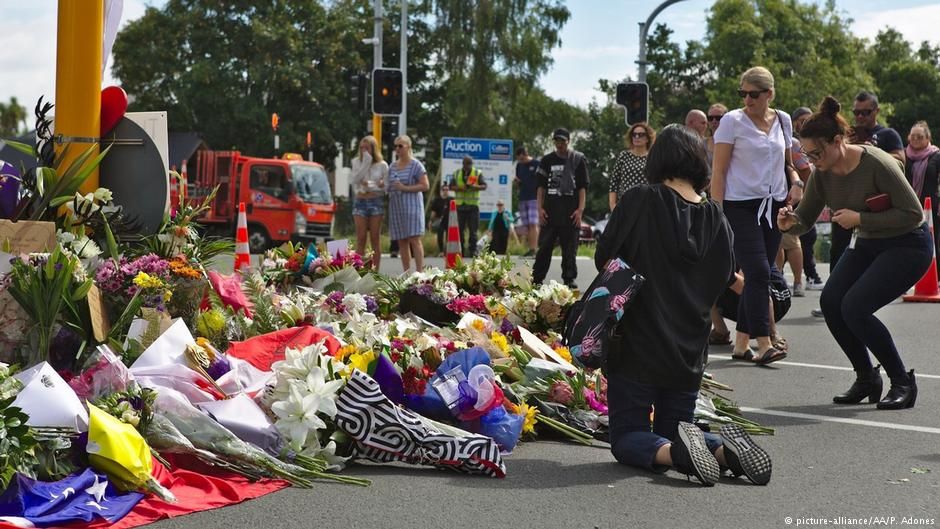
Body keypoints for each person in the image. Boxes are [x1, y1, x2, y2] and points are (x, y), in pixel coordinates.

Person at [598, 124, 771, 487]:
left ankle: (679, 456)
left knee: (627, 436)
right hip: (689, 353)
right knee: (676, 427)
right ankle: (723, 450)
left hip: (637, 347)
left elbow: (606, 259)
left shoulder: (640, 200)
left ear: (659, 159)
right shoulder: (718, 219)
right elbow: (725, 281)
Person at [777, 96, 929, 410]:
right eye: (806, 154)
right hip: (868, 242)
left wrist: (860, 218)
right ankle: (866, 378)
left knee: (855, 306)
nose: (812, 160)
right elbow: (804, 220)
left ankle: (901, 381)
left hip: (908, 244)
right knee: (832, 302)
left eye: (816, 153)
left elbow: (914, 214)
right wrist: (787, 223)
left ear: (838, 142)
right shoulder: (822, 173)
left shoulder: (877, 163)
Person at [711, 66, 803, 365]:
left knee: (755, 275)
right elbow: (719, 171)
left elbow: (788, 164)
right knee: (760, 272)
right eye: (743, 94)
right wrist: (717, 212)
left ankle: (741, 343)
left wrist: (797, 183)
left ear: (769, 94)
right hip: (739, 206)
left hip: (774, 206)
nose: (747, 99)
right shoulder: (731, 121)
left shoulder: (784, 120)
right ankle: (764, 343)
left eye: (754, 94)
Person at [810, 91, 907, 317]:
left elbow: (900, 162)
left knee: (872, 254)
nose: (860, 117)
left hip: (875, 208)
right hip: (845, 205)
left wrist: (867, 150)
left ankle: (862, 301)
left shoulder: (887, 134)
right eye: (856, 112)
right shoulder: (845, 134)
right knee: (839, 251)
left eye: (866, 112)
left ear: (876, 111)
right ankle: (834, 298)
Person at [533, 128, 588, 289]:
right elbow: (540, 188)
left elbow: (582, 188)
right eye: (557, 141)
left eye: (562, 141)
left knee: (570, 249)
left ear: (568, 141)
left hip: (570, 212)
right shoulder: (547, 160)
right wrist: (540, 209)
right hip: (549, 212)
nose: (560, 144)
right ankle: (537, 278)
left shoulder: (577, 160)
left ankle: (569, 278)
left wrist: (580, 210)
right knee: (544, 248)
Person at [776, 107, 815, 297]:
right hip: (771, 197)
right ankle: (779, 279)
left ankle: (798, 281)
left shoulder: (792, 143)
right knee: (777, 242)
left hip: (791, 197)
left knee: (791, 240)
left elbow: (805, 171)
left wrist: (806, 195)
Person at [791, 107, 825, 290]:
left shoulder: (818, 141)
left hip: (807, 193)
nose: (804, 123)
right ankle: (809, 276)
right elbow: (804, 170)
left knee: (806, 238)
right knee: (800, 236)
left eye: (808, 119)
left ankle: (809, 276)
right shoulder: (794, 143)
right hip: (795, 195)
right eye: (801, 120)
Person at [387, 135, 430, 273]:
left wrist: (405, 188)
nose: (397, 149)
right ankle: (407, 274)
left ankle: (419, 273)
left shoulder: (416, 165)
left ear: (408, 147)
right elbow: (388, 184)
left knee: (414, 239)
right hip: (397, 207)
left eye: (401, 146)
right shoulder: (392, 166)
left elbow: (425, 185)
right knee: (401, 241)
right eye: (396, 146)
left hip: (412, 207)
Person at [350, 135, 388, 271]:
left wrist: (371, 185)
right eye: (361, 148)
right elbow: (354, 180)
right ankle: (358, 271)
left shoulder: (382, 165)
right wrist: (366, 163)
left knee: (374, 238)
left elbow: (385, 187)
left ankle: (375, 271)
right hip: (360, 201)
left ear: (373, 148)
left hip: (375, 201)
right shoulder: (356, 162)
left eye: (367, 148)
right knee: (360, 238)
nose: (363, 150)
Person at [904, 121, 940, 256]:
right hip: (907, 207)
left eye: (919, 137)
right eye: (913, 136)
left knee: (932, 244)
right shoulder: (903, 155)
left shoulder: (936, 156)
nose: (915, 139)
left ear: (928, 139)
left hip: (931, 210)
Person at [445, 156, 487, 258]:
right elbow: (450, 186)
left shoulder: (477, 173)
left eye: (470, 164)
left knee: (473, 232)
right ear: (463, 164)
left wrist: (474, 187)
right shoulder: (457, 173)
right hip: (460, 207)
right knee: (460, 232)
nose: (468, 166)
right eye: (466, 164)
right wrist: (460, 188)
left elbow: (484, 186)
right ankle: (461, 253)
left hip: (473, 207)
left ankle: (473, 253)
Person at [609, 122, 655, 210]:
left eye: (641, 135)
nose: (637, 137)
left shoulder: (652, 158)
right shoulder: (624, 155)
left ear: (647, 138)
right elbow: (614, 182)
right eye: (634, 134)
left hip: (645, 206)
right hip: (624, 206)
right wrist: (612, 205)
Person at [515, 146, 541, 256]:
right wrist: (517, 182)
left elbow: (541, 182)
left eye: (522, 158)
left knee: (533, 223)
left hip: (534, 198)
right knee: (526, 226)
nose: (521, 161)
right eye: (519, 159)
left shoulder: (536, 164)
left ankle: (534, 249)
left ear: (525, 154)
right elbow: (519, 181)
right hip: (523, 197)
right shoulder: (519, 165)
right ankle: (531, 249)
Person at [428, 181, 451, 256]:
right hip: (440, 220)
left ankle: (447, 251)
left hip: (449, 220)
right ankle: (441, 251)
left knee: (449, 237)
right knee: (440, 236)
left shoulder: (452, 200)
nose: (445, 191)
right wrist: (431, 221)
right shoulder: (437, 200)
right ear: (441, 191)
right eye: (444, 189)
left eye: (447, 190)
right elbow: (433, 212)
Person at [705, 103, 728, 169]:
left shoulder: (734, 143)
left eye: (718, 118)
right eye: (710, 118)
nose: (714, 121)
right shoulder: (701, 143)